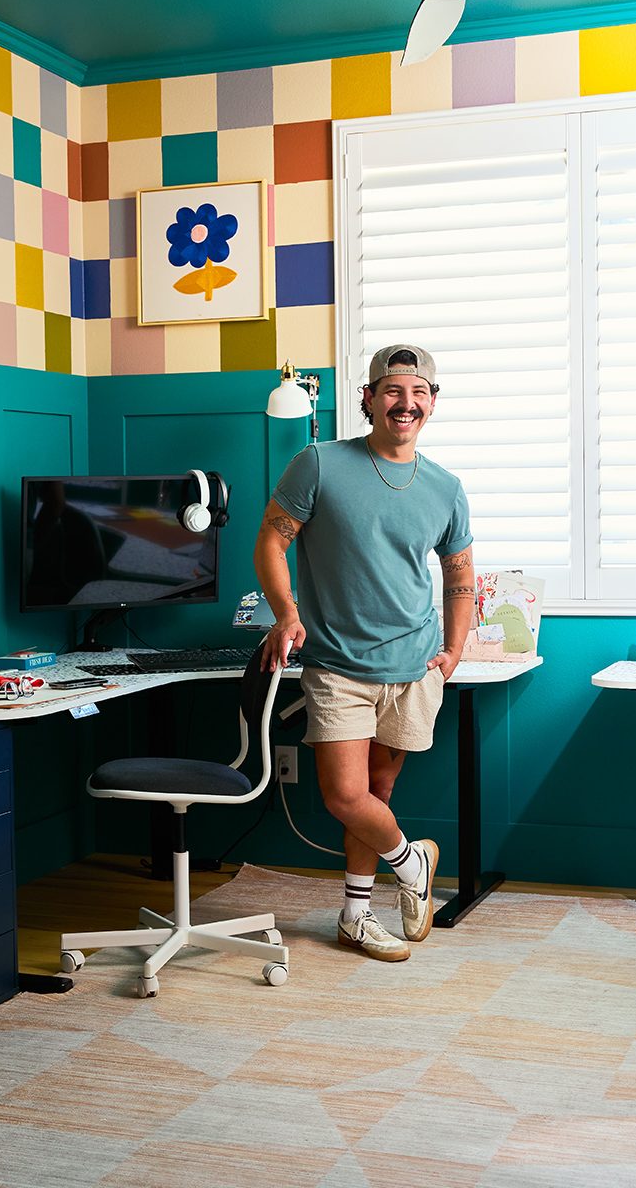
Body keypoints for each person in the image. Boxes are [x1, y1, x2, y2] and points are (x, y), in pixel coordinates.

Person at [253, 344, 475, 962]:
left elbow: (459, 576)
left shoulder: (446, 488)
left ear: (431, 403)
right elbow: (270, 544)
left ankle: (355, 915)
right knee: (345, 797)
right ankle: (413, 863)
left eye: (419, 394)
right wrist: (288, 612)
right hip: (338, 667)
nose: (406, 405)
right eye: (393, 393)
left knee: (378, 791)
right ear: (369, 399)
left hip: (414, 667)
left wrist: (454, 647)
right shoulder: (318, 464)